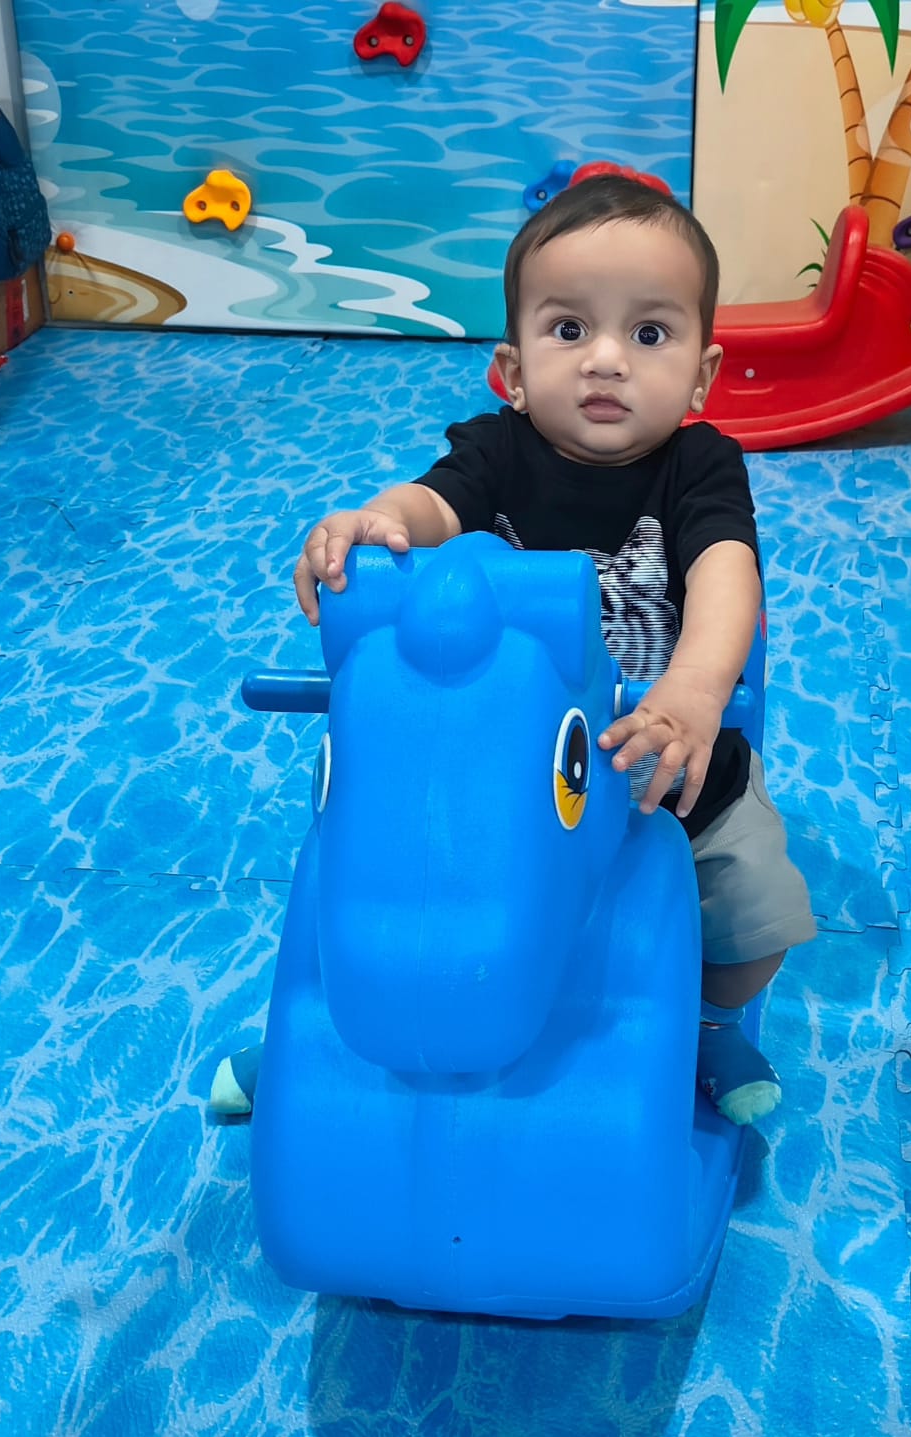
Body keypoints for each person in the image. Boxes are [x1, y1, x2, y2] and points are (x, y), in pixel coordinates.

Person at [211, 174, 815, 1126]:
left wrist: (699, 687)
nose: (606, 360)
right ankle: (319, 1028)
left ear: (702, 376)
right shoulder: (497, 451)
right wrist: (374, 522)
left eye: (648, 333)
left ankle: (702, 1023)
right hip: (495, 781)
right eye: (569, 329)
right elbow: (429, 505)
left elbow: (727, 570)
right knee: (357, 863)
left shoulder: (701, 468)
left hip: (664, 772)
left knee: (755, 920)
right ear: (514, 369)